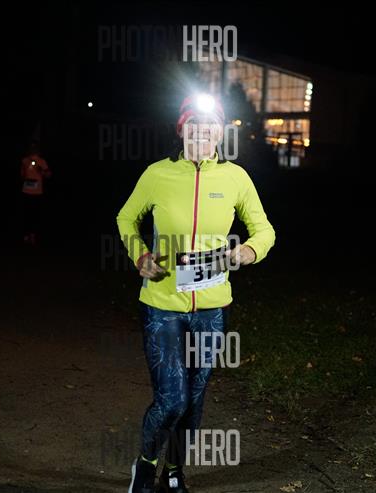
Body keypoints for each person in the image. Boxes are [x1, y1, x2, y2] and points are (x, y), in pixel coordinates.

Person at [117, 93, 275, 492]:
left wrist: (248, 251)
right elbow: (126, 218)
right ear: (181, 130)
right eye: (193, 126)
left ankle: (173, 472)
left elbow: (265, 230)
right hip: (162, 304)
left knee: (195, 399)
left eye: (209, 127)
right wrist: (140, 256)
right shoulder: (157, 174)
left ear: (220, 133)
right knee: (172, 399)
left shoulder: (236, 178)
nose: (201, 133)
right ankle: (145, 466)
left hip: (211, 307)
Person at [20, 145, 51, 245]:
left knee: (34, 215)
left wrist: (40, 170)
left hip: (36, 192)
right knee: (27, 214)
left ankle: (32, 235)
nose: (33, 150)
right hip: (27, 191)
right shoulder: (25, 160)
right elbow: (22, 174)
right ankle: (27, 235)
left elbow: (48, 175)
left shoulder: (41, 161)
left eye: (35, 148)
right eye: (32, 148)